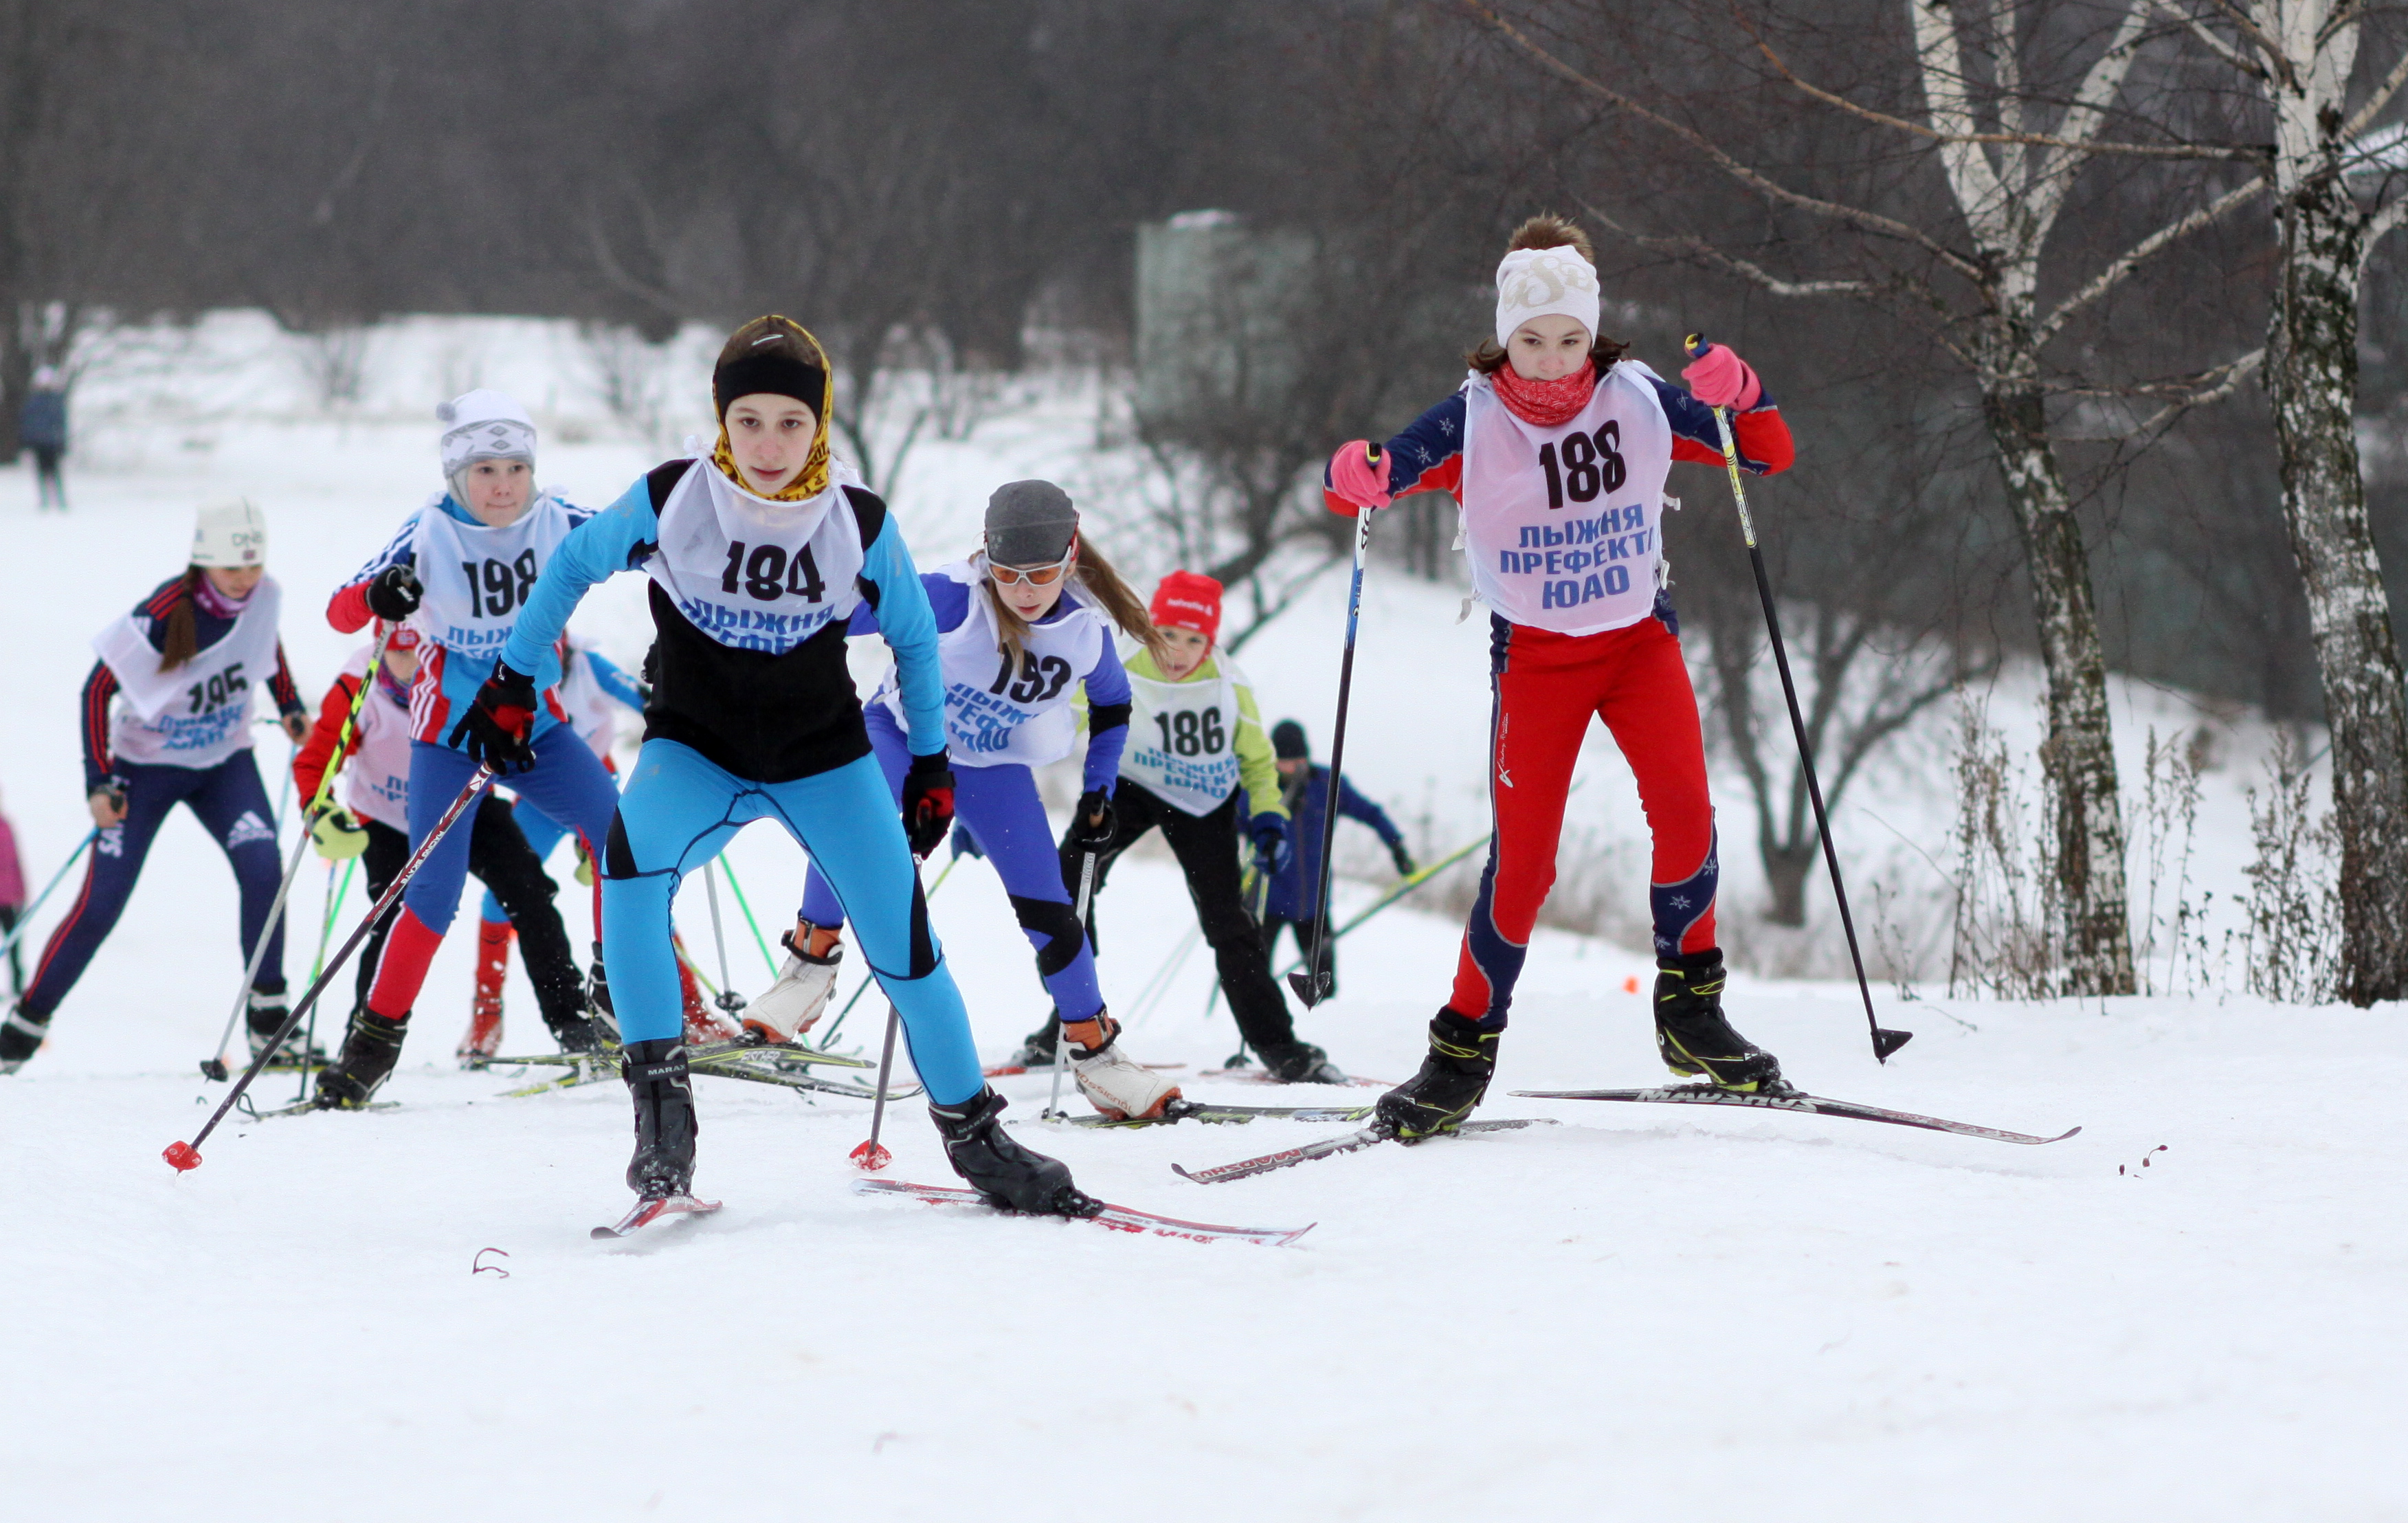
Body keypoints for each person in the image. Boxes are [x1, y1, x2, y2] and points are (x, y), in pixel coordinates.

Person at [478, 314, 1095, 1215]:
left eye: (792, 423)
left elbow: (918, 647)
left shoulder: (856, 520)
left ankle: (979, 1140)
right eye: (751, 420)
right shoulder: (673, 496)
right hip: (696, 752)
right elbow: (572, 566)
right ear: (722, 419)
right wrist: (509, 677)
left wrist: (929, 766)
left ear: (821, 427)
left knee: (907, 949)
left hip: (824, 762)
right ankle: (663, 1124)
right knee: (627, 878)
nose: (769, 444)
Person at [1320, 214, 1798, 1139]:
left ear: (1595, 333)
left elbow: (1766, 452)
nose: (1549, 362)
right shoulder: (1473, 416)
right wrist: (1356, 473)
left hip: (1637, 645)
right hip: (1538, 658)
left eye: (1569, 340)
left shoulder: (1642, 398)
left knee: (1688, 814)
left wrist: (1747, 392)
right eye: (1531, 342)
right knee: (1525, 865)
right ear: (1504, 335)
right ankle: (1460, 1053)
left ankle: (1691, 1013)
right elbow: (1366, 484)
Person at [769, 480, 1183, 1120]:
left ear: (1070, 558)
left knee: (1049, 908)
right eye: (1006, 572)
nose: (1022, 589)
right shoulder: (948, 597)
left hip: (992, 764)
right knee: (857, 828)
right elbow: (824, 615)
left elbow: (1113, 703)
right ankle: (809, 965)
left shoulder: (1084, 632)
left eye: (1040, 573)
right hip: (904, 736)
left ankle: (1098, 1058)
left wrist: (1099, 794)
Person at [313, 390, 623, 1108]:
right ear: (457, 475)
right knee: (431, 895)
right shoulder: (427, 531)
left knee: (620, 841)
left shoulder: (557, 519)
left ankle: (613, 1006)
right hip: (447, 737)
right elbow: (340, 608)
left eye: (516, 465)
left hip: (537, 725)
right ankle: (370, 1049)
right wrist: (381, 594)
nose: (503, 484)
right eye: (485, 469)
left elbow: (643, 542)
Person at [2, 500, 312, 1074]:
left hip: (225, 764)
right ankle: (19, 1034)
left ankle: (272, 1026)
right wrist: (99, 783)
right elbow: (95, 691)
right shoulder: (163, 613)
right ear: (202, 561)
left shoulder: (263, 594)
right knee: (100, 906)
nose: (244, 578)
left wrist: (289, 703)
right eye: (230, 568)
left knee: (265, 871)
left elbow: (265, 644)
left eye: (253, 564)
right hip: (144, 772)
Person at [1012, 570, 1349, 1084]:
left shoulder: (1228, 684)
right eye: (1168, 635)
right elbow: (1062, 717)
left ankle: (1280, 1045)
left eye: (1194, 640)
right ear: (1151, 628)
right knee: (1068, 880)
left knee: (1228, 924)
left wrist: (1268, 819)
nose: (1178, 651)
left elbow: (1258, 763)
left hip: (1204, 800)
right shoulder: (1121, 664)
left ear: (1210, 643)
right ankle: (1069, 1019)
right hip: (1130, 784)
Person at [292, 624, 599, 1058]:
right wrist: (318, 810)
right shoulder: (358, 685)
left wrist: (584, 822)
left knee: (530, 892)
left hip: (464, 807)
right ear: (380, 650)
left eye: (420, 653)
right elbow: (317, 759)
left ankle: (575, 1025)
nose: (412, 666)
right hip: (387, 821)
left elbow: (528, 752)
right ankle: (358, 1052)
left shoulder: (456, 674)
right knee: (393, 922)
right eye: (400, 654)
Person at [452, 634, 717, 1063]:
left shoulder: (591, 667)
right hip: (540, 801)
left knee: (637, 889)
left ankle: (692, 1010)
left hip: (595, 789)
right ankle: (486, 1014)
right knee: (498, 902)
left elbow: (643, 699)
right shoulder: (516, 674)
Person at [1249, 718, 1415, 1001]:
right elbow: (1230, 826)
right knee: (1253, 982)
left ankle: (1323, 1030)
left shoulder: (1327, 784)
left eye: (1298, 760)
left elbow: (1371, 813)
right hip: (1267, 903)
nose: (1292, 768)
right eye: (1285, 762)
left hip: (1313, 903)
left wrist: (1396, 846)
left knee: (1324, 988)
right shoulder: (1259, 789)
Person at [21, 365, 67, 512]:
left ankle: (58, 498)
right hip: (40, 443)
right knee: (42, 472)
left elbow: (60, 422)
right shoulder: (35, 402)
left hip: (51, 442)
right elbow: (27, 422)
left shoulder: (55, 402)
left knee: (54, 472)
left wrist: (61, 441)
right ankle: (46, 499)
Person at [0, 790, 27, 997]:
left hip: (9, 898)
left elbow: (16, 861)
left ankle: (18, 985)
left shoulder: (6, 826)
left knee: (14, 941)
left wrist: (21, 892)